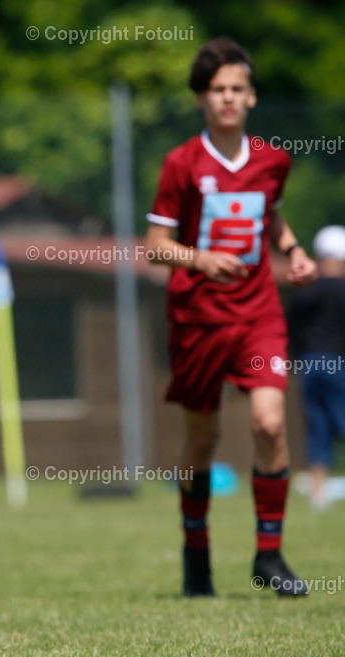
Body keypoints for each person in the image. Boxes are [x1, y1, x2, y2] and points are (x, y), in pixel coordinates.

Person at [144, 37, 318, 597]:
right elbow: (155, 245)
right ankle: (197, 558)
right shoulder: (182, 163)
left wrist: (293, 249)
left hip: (259, 315)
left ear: (252, 97)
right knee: (203, 440)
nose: (227, 98)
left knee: (270, 422)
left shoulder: (274, 160)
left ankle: (269, 554)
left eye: (237, 89)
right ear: (202, 98)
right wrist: (200, 258)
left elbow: (273, 216)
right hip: (197, 320)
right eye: (217, 89)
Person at [287, 225, 345, 511]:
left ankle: (318, 493)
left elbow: (292, 328)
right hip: (337, 362)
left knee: (317, 425)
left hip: (309, 363)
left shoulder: (306, 291)